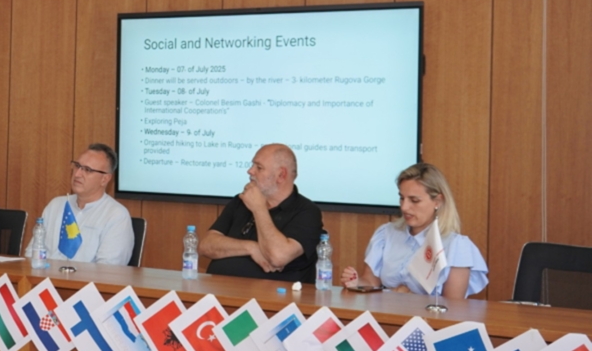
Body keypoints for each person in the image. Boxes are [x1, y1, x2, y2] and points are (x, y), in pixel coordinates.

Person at [341, 163, 488, 298]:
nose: (404, 207)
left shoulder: (457, 246)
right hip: (385, 314)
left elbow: (453, 307)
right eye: (402, 198)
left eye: (414, 200)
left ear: (437, 201)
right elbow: (371, 282)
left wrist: (410, 299)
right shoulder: (386, 234)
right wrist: (356, 283)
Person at [201, 143, 324, 282]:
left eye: (259, 167)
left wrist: (259, 209)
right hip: (220, 289)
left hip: (273, 294)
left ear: (281, 175)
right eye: (252, 165)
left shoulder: (307, 212)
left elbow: (278, 257)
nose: (250, 171)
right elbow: (206, 245)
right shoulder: (240, 201)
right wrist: (251, 247)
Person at [25, 143, 133, 265]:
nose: (77, 174)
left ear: (105, 179)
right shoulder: (56, 205)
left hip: (85, 278)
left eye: (87, 170)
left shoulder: (116, 215)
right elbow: (31, 254)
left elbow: (108, 270)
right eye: (77, 166)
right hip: (45, 276)